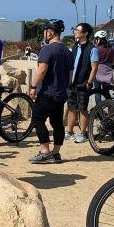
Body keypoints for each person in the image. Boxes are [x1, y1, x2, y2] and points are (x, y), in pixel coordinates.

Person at [28, 19, 73, 163]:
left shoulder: (46, 49)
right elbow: (70, 75)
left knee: (37, 120)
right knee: (57, 123)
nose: (44, 35)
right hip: (60, 93)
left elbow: (42, 70)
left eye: (44, 32)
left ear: (50, 32)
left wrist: (33, 86)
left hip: (47, 92)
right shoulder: (67, 51)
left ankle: (45, 152)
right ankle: (56, 153)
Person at [65, 23, 99, 144]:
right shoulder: (75, 47)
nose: (75, 31)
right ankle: (69, 131)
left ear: (85, 33)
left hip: (83, 83)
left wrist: (89, 82)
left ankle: (83, 133)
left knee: (82, 109)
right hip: (72, 83)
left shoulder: (92, 49)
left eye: (77, 30)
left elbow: (94, 68)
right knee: (71, 107)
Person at [93, 30, 114, 103]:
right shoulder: (111, 48)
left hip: (97, 71)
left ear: (98, 39)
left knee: (97, 92)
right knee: (106, 92)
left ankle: (98, 110)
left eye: (95, 39)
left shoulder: (96, 49)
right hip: (107, 71)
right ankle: (111, 109)